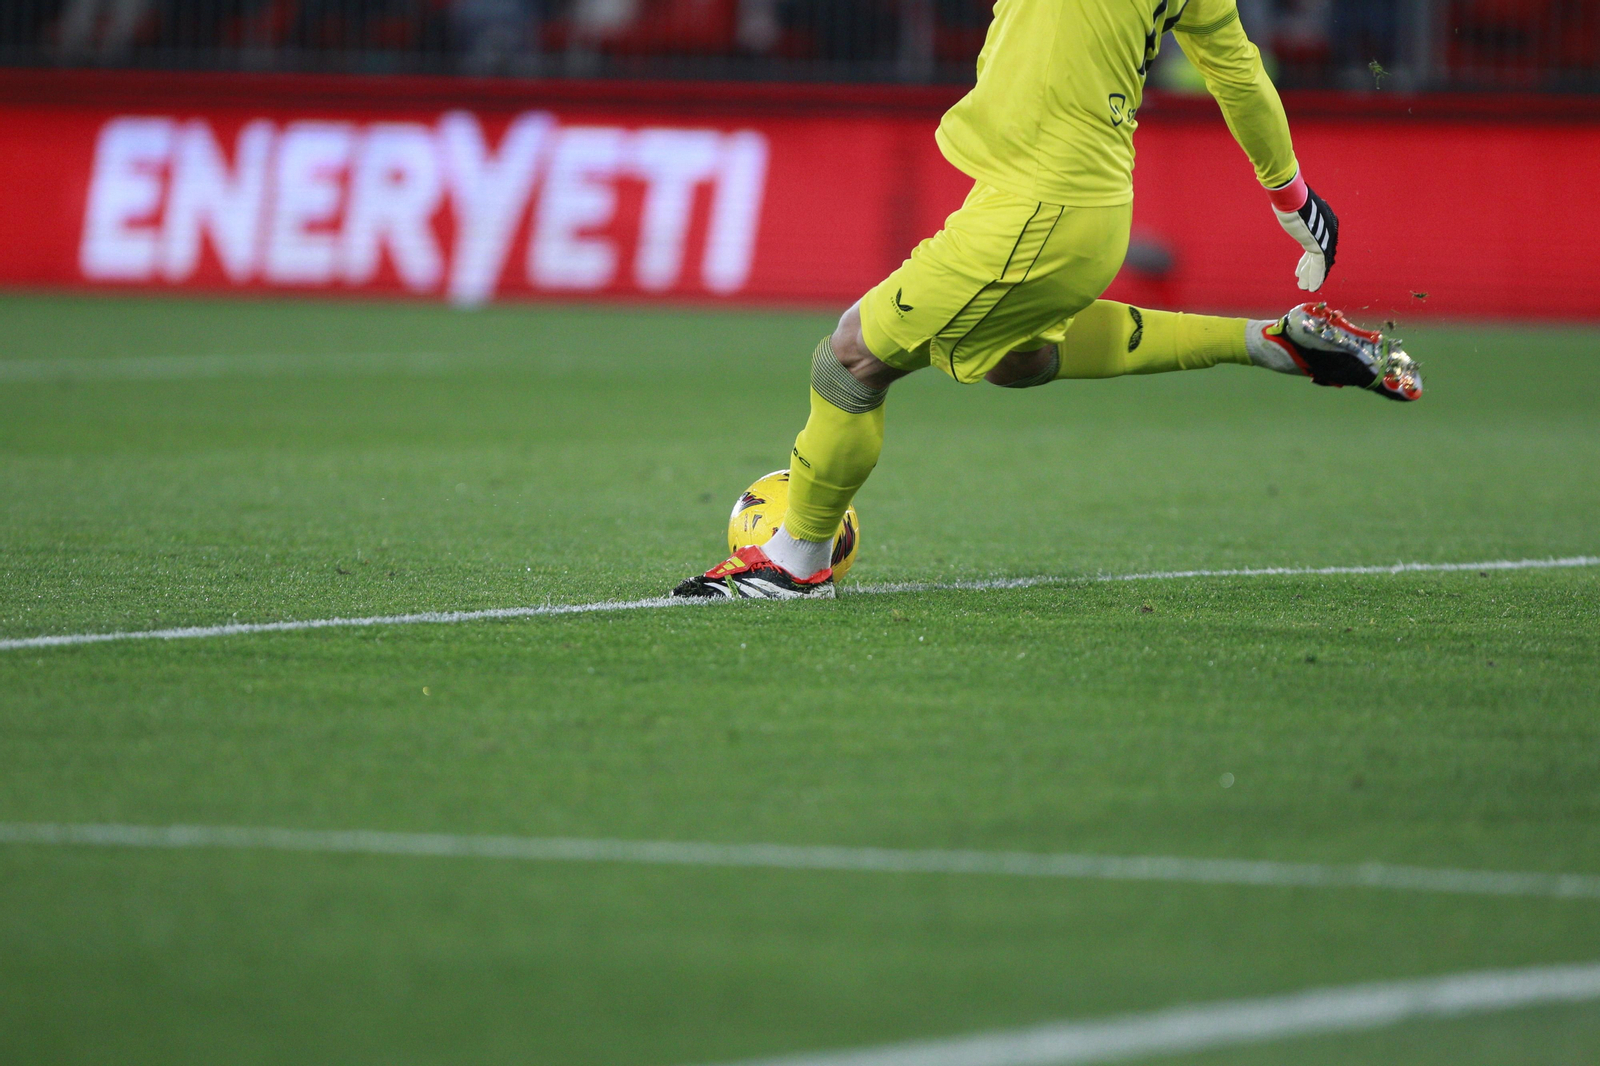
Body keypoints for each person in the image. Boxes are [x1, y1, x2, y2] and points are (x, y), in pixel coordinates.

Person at [672, 0, 1422, 601]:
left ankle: (793, 562)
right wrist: (1290, 193)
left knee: (850, 360)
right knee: (1016, 361)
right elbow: (1237, 72)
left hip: (1041, 205)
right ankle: (1265, 341)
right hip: (1081, 207)